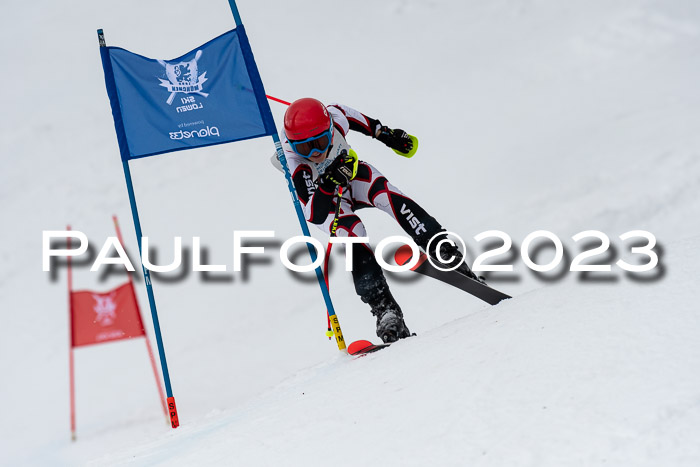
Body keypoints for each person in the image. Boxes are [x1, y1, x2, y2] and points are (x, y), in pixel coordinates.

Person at [276, 97, 481, 343]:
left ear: (330, 129)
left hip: (352, 178)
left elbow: (358, 119)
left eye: (320, 142)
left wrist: (386, 135)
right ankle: (385, 310)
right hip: (324, 202)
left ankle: (444, 250)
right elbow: (315, 214)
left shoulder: (335, 117)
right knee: (353, 233)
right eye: (305, 148)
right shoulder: (293, 161)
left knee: (388, 194)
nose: (315, 153)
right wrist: (329, 183)